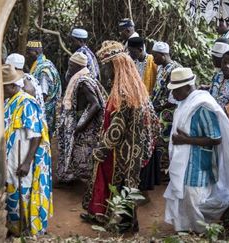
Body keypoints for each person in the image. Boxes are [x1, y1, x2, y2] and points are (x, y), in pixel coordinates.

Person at [163, 67, 229, 233]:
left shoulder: (203, 106)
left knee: (194, 198)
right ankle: (190, 227)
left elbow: (216, 138)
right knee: (186, 197)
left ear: (187, 87)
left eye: (175, 91)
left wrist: (186, 140)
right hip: (186, 161)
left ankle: (212, 222)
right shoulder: (187, 102)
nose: (173, 96)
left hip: (198, 162)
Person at [81, 41, 159, 233]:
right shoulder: (135, 88)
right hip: (133, 149)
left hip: (122, 151)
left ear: (117, 66)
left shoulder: (124, 93)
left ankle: (126, 226)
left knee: (122, 184)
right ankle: (120, 221)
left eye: (108, 66)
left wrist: (101, 149)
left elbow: (117, 128)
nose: (106, 71)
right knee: (128, 184)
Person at [2, 64, 53, 236]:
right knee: (13, 190)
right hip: (14, 154)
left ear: (11, 86)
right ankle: (15, 228)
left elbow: (36, 135)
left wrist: (26, 162)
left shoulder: (26, 103)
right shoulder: (11, 101)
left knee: (23, 190)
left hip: (23, 155)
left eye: (3, 87)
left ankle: (27, 229)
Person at [56, 52, 106, 183]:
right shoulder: (81, 78)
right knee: (74, 150)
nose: (69, 68)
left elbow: (95, 104)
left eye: (71, 65)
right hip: (78, 119)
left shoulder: (83, 82)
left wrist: (80, 125)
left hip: (81, 121)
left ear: (78, 66)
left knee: (82, 151)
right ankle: (71, 177)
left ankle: (82, 180)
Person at [150, 41, 182, 180]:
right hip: (159, 108)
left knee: (164, 140)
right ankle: (160, 169)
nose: (153, 59)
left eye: (155, 56)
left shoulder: (175, 69)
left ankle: (166, 170)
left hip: (169, 111)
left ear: (163, 55)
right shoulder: (162, 68)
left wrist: (159, 107)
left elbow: (173, 97)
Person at [25, 40, 62, 137]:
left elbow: (43, 94)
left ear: (36, 53)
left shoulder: (43, 70)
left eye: (29, 52)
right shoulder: (44, 63)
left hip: (45, 113)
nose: (27, 56)